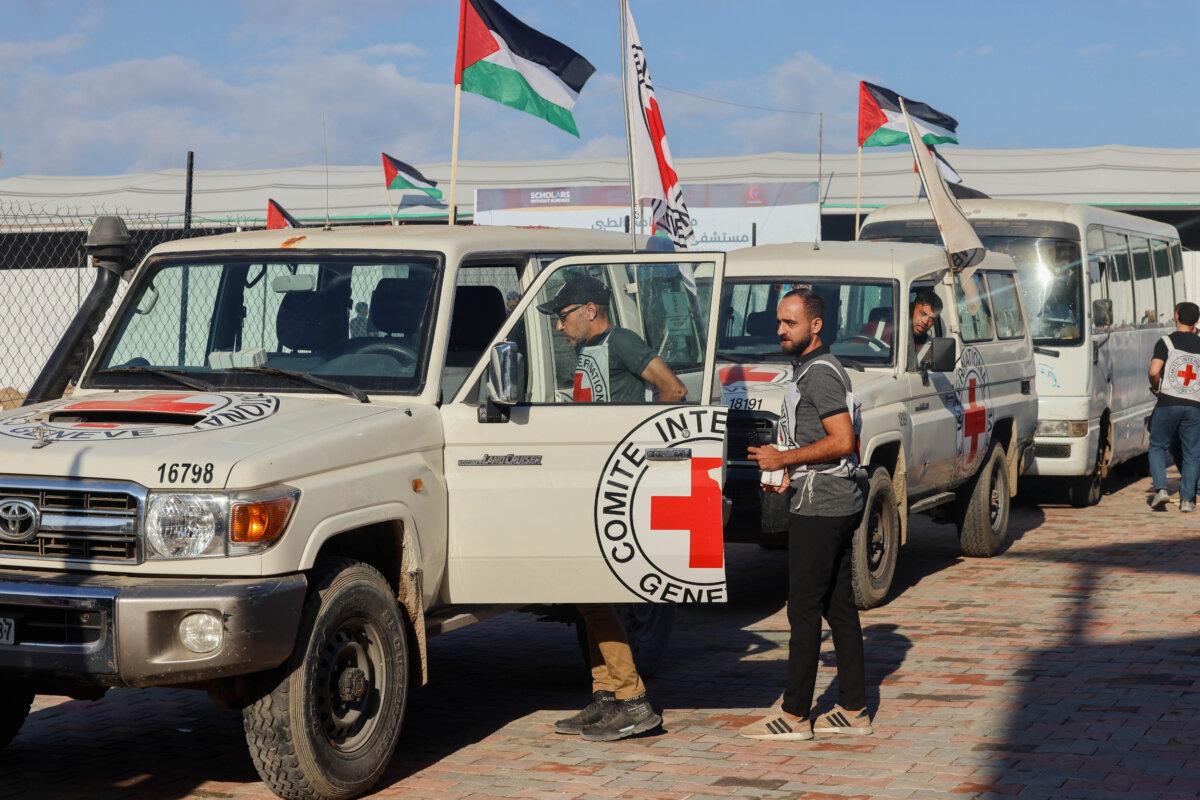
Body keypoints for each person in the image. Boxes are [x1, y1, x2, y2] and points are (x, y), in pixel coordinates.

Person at [536, 274, 683, 742]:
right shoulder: (587, 350)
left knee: (597, 597)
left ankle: (634, 700)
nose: (560, 327)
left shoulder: (620, 341)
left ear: (590, 310)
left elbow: (672, 390)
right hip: (590, 477)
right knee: (586, 594)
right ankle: (606, 698)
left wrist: (638, 451)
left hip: (612, 481)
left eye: (563, 316)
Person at [739, 287, 871, 741]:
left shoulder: (820, 374)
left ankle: (795, 715)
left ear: (815, 326)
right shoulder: (810, 371)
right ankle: (854, 709)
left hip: (822, 504)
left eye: (790, 323)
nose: (781, 330)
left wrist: (784, 460)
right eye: (779, 322)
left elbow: (843, 441)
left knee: (803, 609)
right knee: (838, 607)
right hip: (827, 499)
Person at [1147, 301, 1200, 513]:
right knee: (1192, 453)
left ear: (1176, 315)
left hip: (1168, 401)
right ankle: (1187, 500)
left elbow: (1153, 371)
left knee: (1157, 445)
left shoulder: (1165, 342)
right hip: (1194, 405)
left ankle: (1161, 490)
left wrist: (1156, 387)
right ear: (1196, 321)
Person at [907, 288, 943, 371]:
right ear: (912, 309)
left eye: (931, 319)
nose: (925, 321)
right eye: (922, 314)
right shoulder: (887, 332)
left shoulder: (933, 350)